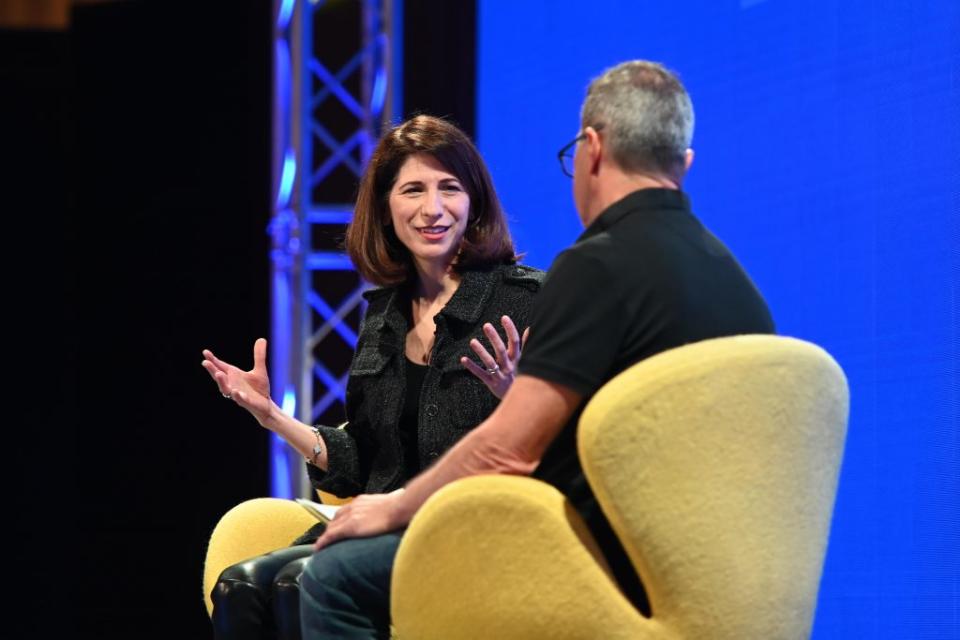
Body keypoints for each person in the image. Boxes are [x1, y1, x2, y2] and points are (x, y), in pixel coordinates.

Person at [298, 60, 776, 638]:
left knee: (333, 578)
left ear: (591, 149)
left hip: (601, 558)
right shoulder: (732, 276)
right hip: (725, 572)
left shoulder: (595, 266)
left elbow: (506, 452)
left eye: (449, 187)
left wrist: (394, 507)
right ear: (684, 165)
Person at [201, 114, 544, 640]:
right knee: (238, 587)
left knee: (298, 584)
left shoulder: (523, 299)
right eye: (413, 190)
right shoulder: (384, 313)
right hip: (380, 520)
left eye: (449, 188)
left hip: (464, 526)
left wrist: (513, 394)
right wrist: (272, 417)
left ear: (473, 201)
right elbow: (363, 460)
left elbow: (556, 444)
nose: (433, 208)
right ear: (386, 208)